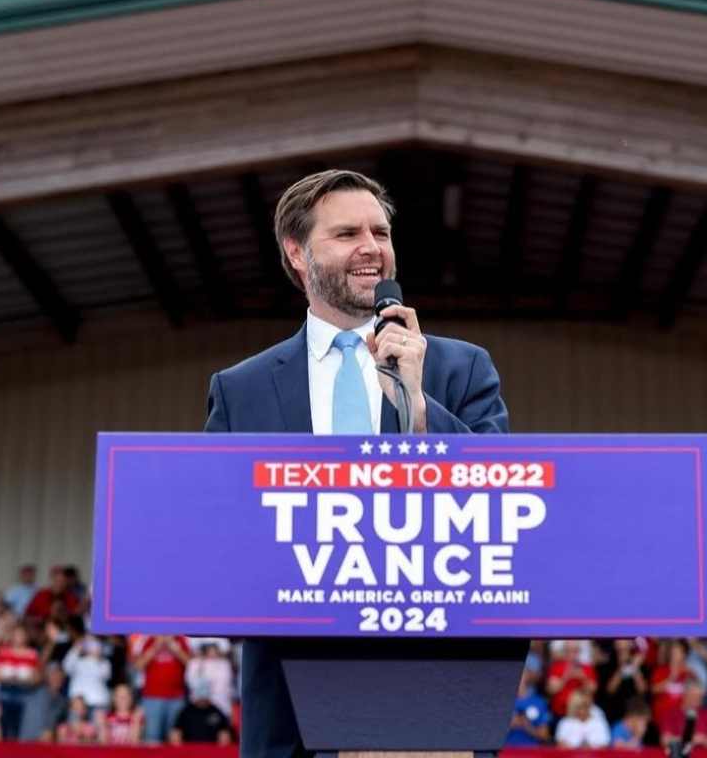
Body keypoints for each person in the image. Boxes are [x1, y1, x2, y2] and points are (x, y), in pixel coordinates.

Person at [204, 169, 513, 758]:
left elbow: (505, 504)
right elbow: (218, 538)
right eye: (347, 234)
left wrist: (418, 406)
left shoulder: (461, 368)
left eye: (381, 232)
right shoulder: (241, 389)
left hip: (432, 698)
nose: (372, 247)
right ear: (298, 253)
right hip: (291, 711)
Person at [129, 634, 193, 742]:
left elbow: (190, 663)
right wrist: (156, 646)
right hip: (152, 697)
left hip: (176, 697)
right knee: (152, 736)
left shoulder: (180, 639)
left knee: (174, 737)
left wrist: (173, 646)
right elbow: (139, 665)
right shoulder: (150, 639)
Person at [0, 623, 41, 740]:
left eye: (21, 635)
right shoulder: (2, 652)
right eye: (16, 634)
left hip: (24, 693)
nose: (18, 638)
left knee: (20, 725)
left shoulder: (32, 654)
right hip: (5, 692)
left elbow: (37, 678)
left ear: (26, 637)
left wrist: (26, 679)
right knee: (3, 724)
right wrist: (8, 677)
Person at [660, 679, 707, 751]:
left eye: (699, 697)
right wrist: (690, 739)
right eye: (693, 696)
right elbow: (665, 740)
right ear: (685, 695)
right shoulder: (671, 714)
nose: (697, 700)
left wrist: (705, 740)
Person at [170, 678, 234, 745]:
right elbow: (176, 731)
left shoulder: (216, 712)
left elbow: (225, 731)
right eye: (200, 697)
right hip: (189, 748)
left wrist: (225, 736)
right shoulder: (186, 712)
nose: (202, 699)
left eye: (204, 697)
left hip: (211, 749)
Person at [546, 640, 597, 718]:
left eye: (575, 651)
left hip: (581, 715)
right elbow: (551, 690)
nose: (571, 655)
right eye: (568, 651)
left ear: (579, 652)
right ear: (564, 652)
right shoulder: (556, 666)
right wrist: (566, 677)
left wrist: (583, 678)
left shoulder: (586, 667)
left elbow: (593, 689)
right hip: (560, 713)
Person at [63, 635, 111, 712]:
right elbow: (66, 667)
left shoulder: (104, 662)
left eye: (95, 644)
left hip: (98, 702)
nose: (92, 646)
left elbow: (106, 675)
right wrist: (76, 649)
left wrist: (97, 658)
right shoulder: (77, 660)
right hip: (78, 702)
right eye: (89, 643)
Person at [506, 668, 551, 746]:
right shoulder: (501, 701)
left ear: (527, 677)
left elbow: (544, 735)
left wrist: (527, 726)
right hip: (506, 749)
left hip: (530, 750)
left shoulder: (539, 702)